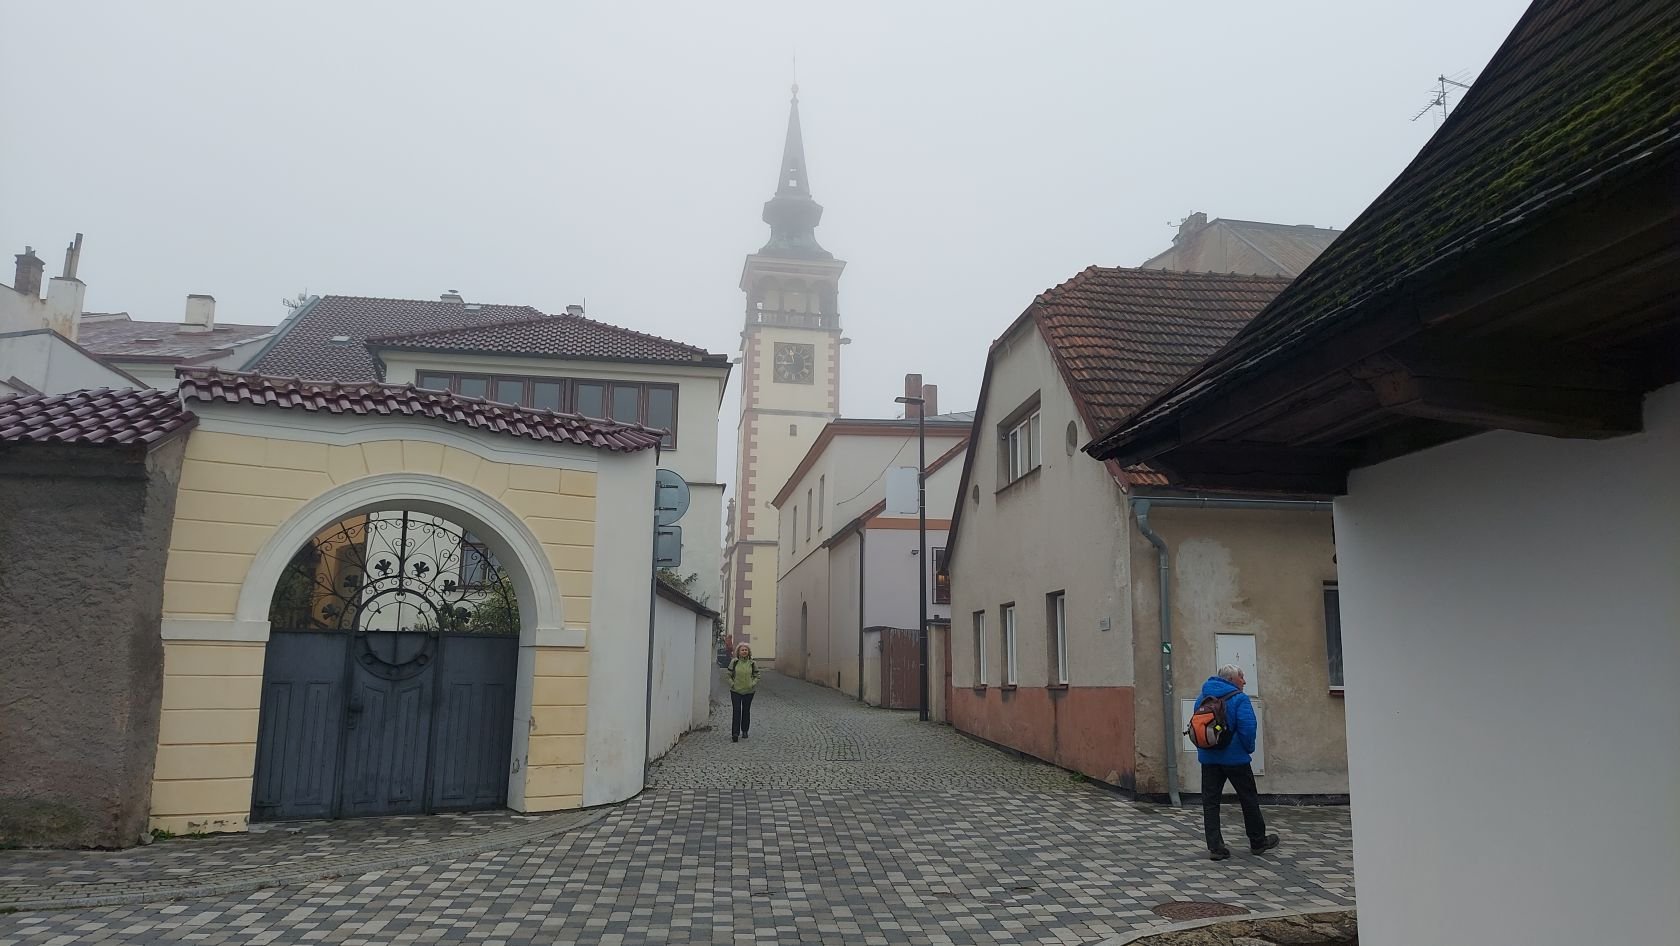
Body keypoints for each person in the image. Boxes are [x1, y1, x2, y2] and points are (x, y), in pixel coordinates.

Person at [1196, 664, 1279, 860]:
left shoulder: (1202, 698)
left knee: (1210, 802)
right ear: (1232, 679)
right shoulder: (1240, 699)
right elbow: (1248, 728)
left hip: (1209, 759)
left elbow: (1199, 728)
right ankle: (1258, 841)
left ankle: (1216, 847)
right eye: (1241, 677)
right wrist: (1248, 749)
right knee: (1248, 798)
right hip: (1236, 759)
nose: (1244, 681)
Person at [726, 642, 760, 742]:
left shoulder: (752, 663)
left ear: (748, 652)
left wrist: (752, 684)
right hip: (735, 691)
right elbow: (728, 675)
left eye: (746, 650)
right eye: (742, 650)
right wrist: (732, 684)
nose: (744, 651)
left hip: (749, 691)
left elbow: (757, 675)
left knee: (746, 710)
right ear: (739, 652)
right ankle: (735, 733)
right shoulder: (734, 662)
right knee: (736, 711)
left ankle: (745, 730)